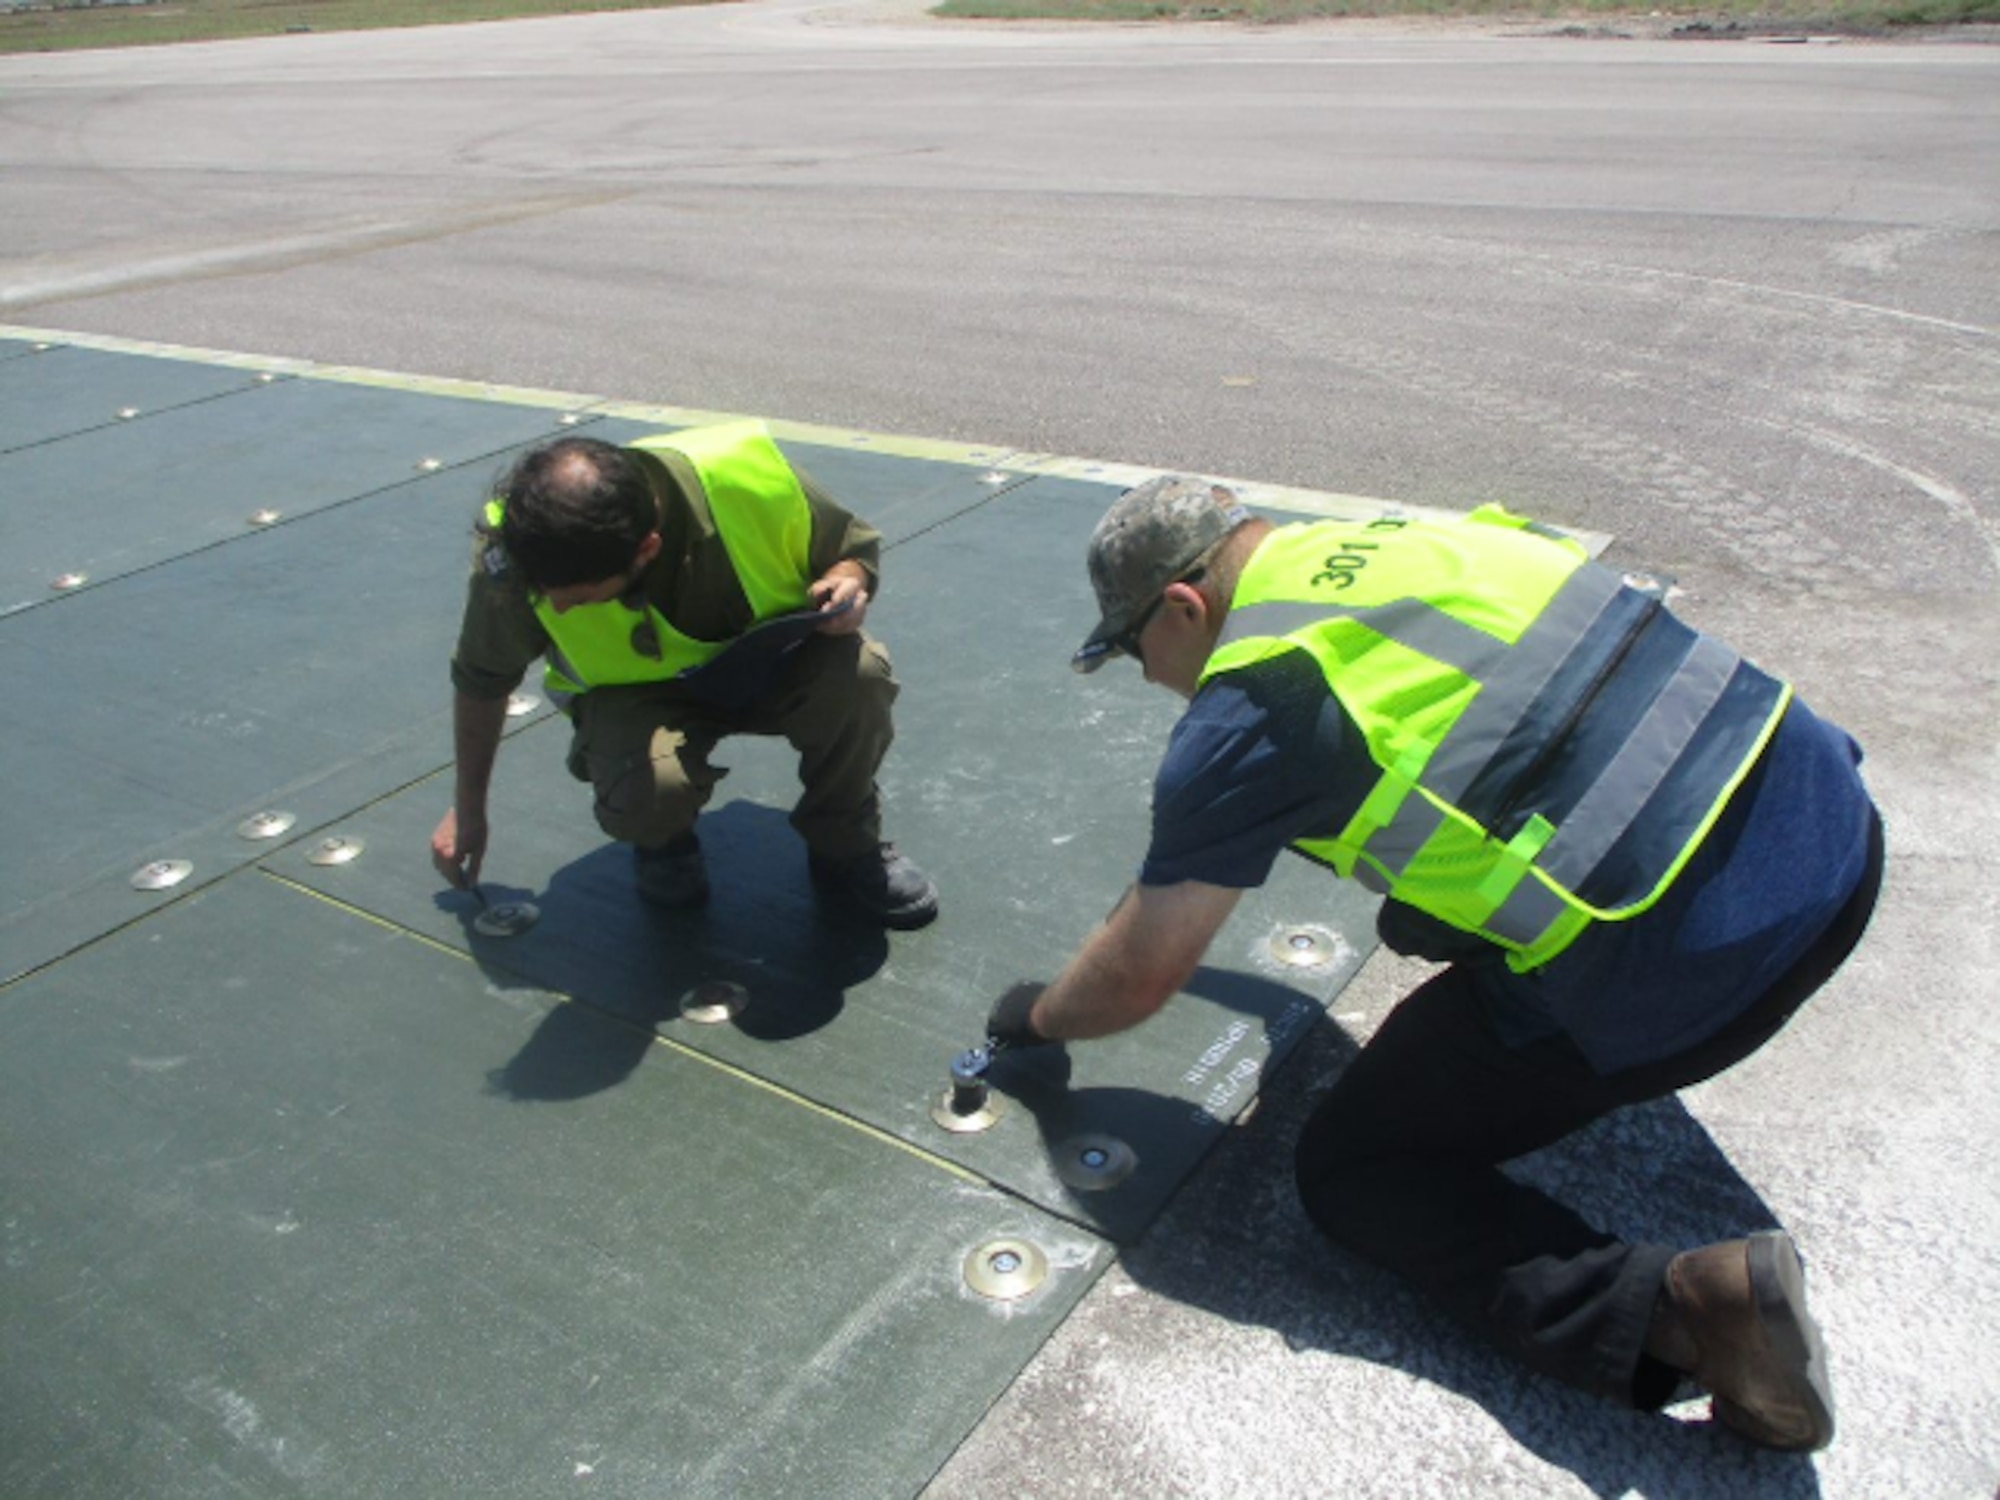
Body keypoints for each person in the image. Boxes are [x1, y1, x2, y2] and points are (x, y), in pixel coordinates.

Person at [986, 476, 1881, 1451]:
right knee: (1423, 907)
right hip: (1829, 829)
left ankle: (1690, 1315)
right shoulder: (1414, 544)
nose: (1151, 678)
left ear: (1181, 607)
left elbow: (1138, 974)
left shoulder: (1253, 705)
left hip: (1716, 960)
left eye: (1132, 653)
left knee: (1354, 1167)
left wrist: (1034, 1018)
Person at [430, 421, 938, 929]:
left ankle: (845, 844)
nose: (559, 608)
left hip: (773, 661)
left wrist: (846, 585)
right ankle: (664, 846)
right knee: (645, 795)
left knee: (859, 674)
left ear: (647, 549)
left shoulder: (745, 475)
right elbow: (482, 677)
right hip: (638, 694)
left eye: (581, 594)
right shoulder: (520, 554)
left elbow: (850, 549)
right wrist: (468, 808)